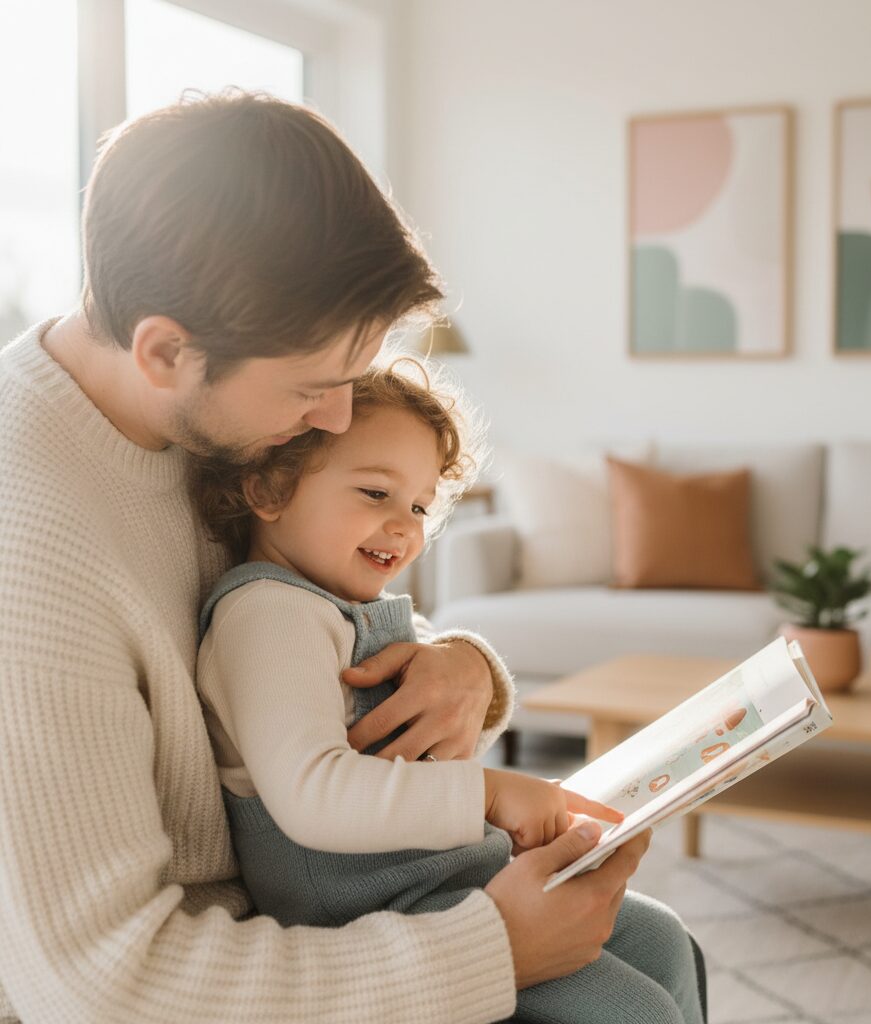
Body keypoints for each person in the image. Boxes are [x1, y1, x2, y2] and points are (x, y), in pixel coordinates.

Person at [0, 90, 677, 1023]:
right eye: (315, 388)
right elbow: (101, 986)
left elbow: (300, 625)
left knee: (657, 941)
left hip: (328, 911)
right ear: (165, 350)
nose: (337, 419)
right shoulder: (27, 550)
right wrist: (490, 951)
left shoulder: (208, 421)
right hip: (229, 978)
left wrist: (465, 668)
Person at [191, 359, 707, 1024]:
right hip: (371, 908)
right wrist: (492, 794)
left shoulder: (332, 605)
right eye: (376, 494)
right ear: (269, 488)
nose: (406, 527)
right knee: (632, 1010)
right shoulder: (267, 613)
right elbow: (313, 794)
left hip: (433, 880)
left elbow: (455, 707)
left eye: (418, 506)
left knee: (662, 937)